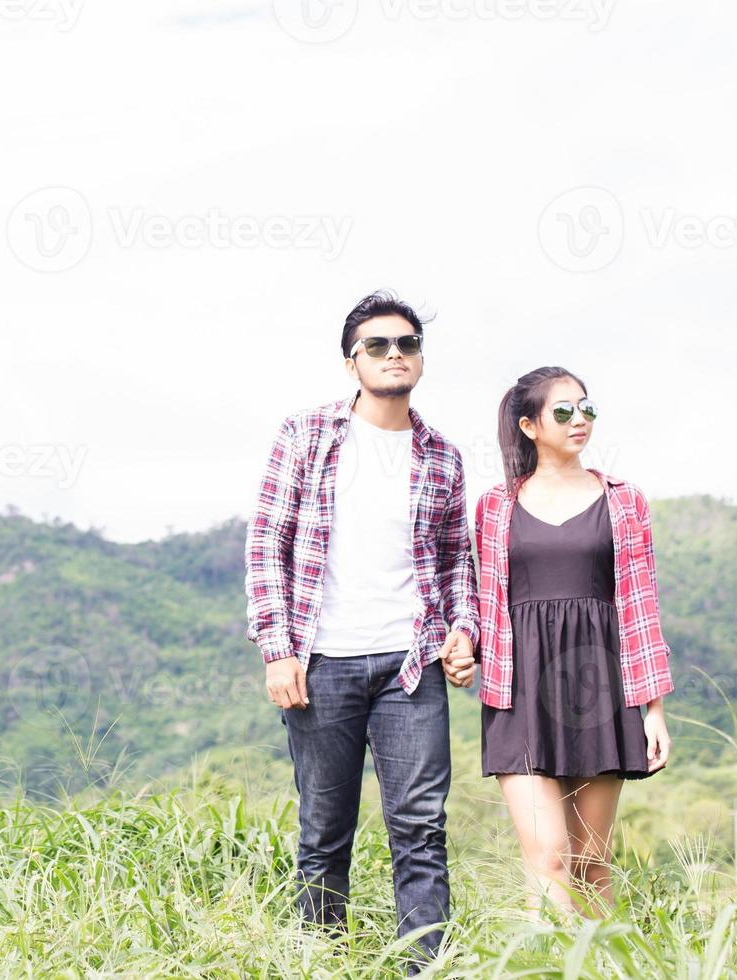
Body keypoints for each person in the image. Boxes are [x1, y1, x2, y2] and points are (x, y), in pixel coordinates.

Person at [244, 289, 480, 971]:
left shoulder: (441, 456)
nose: (393, 355)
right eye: (377, 346)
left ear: (420, 361)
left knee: (420, 830)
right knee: (323, 831)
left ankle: (423, 966)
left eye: (406, 344)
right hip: (322, 663)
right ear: (352, 363)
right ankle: (323, 961)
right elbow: (268, 542)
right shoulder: (306, 434)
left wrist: (461, 629)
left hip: (410, 668)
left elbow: (454, 558)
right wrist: (277, 649)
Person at [474, 366, 674, 919]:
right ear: (530, 425)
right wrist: (462, 643)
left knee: (591, 861)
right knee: (548, 857)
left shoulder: (624, 501)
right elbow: (480, 597)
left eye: (586, 407)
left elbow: (641, 604)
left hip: (600, 687)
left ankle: (604, 967)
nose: (579, 419)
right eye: (563, 411)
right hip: (519, 691)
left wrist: (652, 709)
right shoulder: (495, 507)